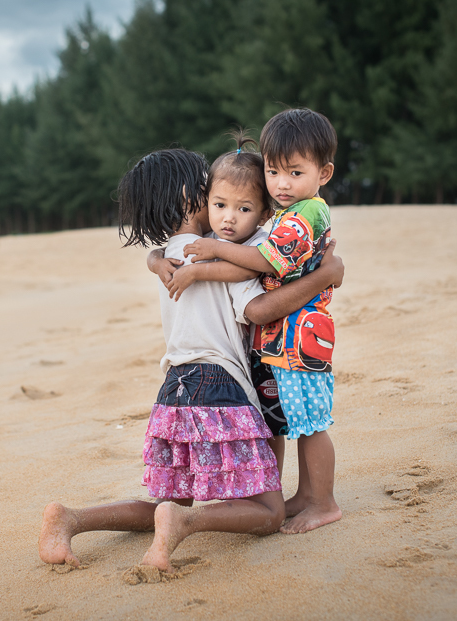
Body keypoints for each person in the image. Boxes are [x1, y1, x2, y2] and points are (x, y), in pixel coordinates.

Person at [39, 142, 344, 573]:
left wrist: (151, 259)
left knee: (165, 501)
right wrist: (324, 277)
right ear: (191, 199)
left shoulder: (168, 255)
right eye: (210, 193)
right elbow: (257, 308)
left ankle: (72, 519)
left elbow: (164, 256)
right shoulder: (214, 250)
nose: (221, 208)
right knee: (268, 512)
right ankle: (187, 522)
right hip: (219, 385)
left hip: (174, 390)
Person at [176, 108, 342, 534]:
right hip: (277, 343)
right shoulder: (290, 214)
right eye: (273, 171)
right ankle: (300, 495)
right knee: (281, 419)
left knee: (310, 424)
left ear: (323, 173)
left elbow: (264, 260)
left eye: (295, 172)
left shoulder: (306, 216)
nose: (282, 183)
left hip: (300, 340)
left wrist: (215, 251)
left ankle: (323, 501)